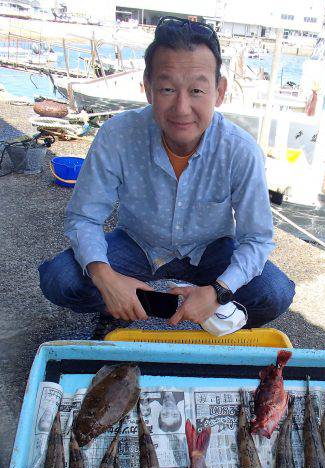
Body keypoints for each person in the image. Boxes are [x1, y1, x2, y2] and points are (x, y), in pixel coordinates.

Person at [38, 16, 295, 339]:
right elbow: (84, 216)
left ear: (220, 91)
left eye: (197, 90)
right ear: (147, 88)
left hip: (210, 249)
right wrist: (107, 279)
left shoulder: (241, 150)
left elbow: (257, 239)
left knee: (275, 292)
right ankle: (118, 307)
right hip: (138, 242)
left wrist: (218, 291)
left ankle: (212, 309)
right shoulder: (117, 134)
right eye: (167, 88)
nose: (182, 107)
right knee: (61, 279)